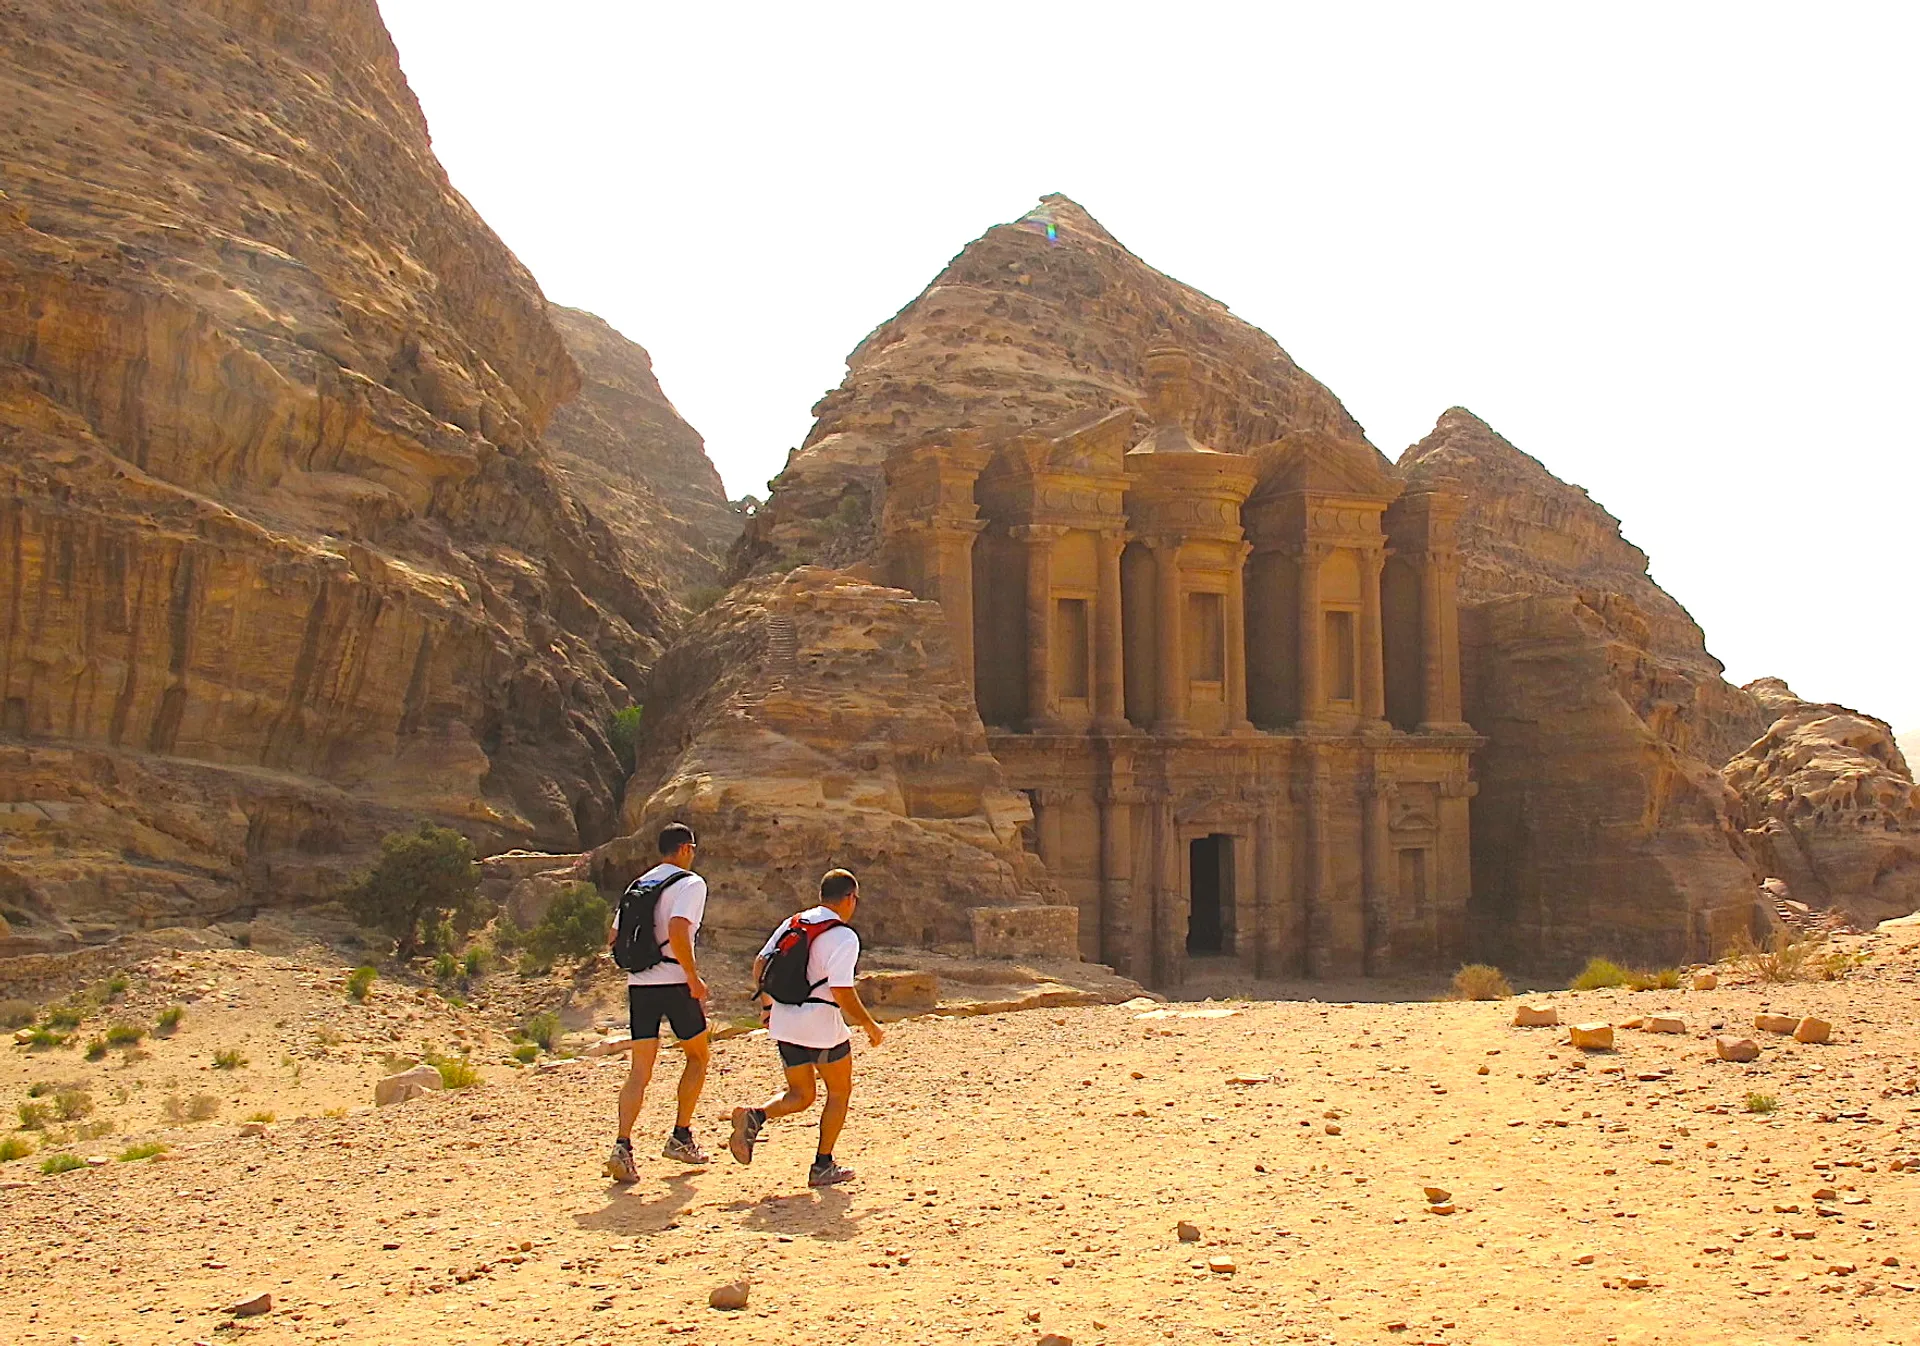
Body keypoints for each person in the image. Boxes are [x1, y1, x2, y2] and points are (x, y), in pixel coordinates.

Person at [727, 868, 883, 1187]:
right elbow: (841, 990)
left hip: (785, 1022)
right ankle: (823, 1165)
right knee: (839, 1091)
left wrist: (767, 1007)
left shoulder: (794, 922)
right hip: (821, 1024)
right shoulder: (844, 936)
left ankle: (756, 1115)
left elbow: (760, 963)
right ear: (850, 899)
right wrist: (868, 1023)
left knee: (801, 1094)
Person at [604, 822, 712, 1181]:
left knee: (640, 1070)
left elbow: (614, 937)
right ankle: (681, 1135)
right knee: (698, 1056)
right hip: (675, 981)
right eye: (692, 849)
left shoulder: (638, 885)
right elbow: (679, 929)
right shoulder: (690, 883)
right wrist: (692, 977)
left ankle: (622, 1146)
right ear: (684, 849)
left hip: (640, 984)